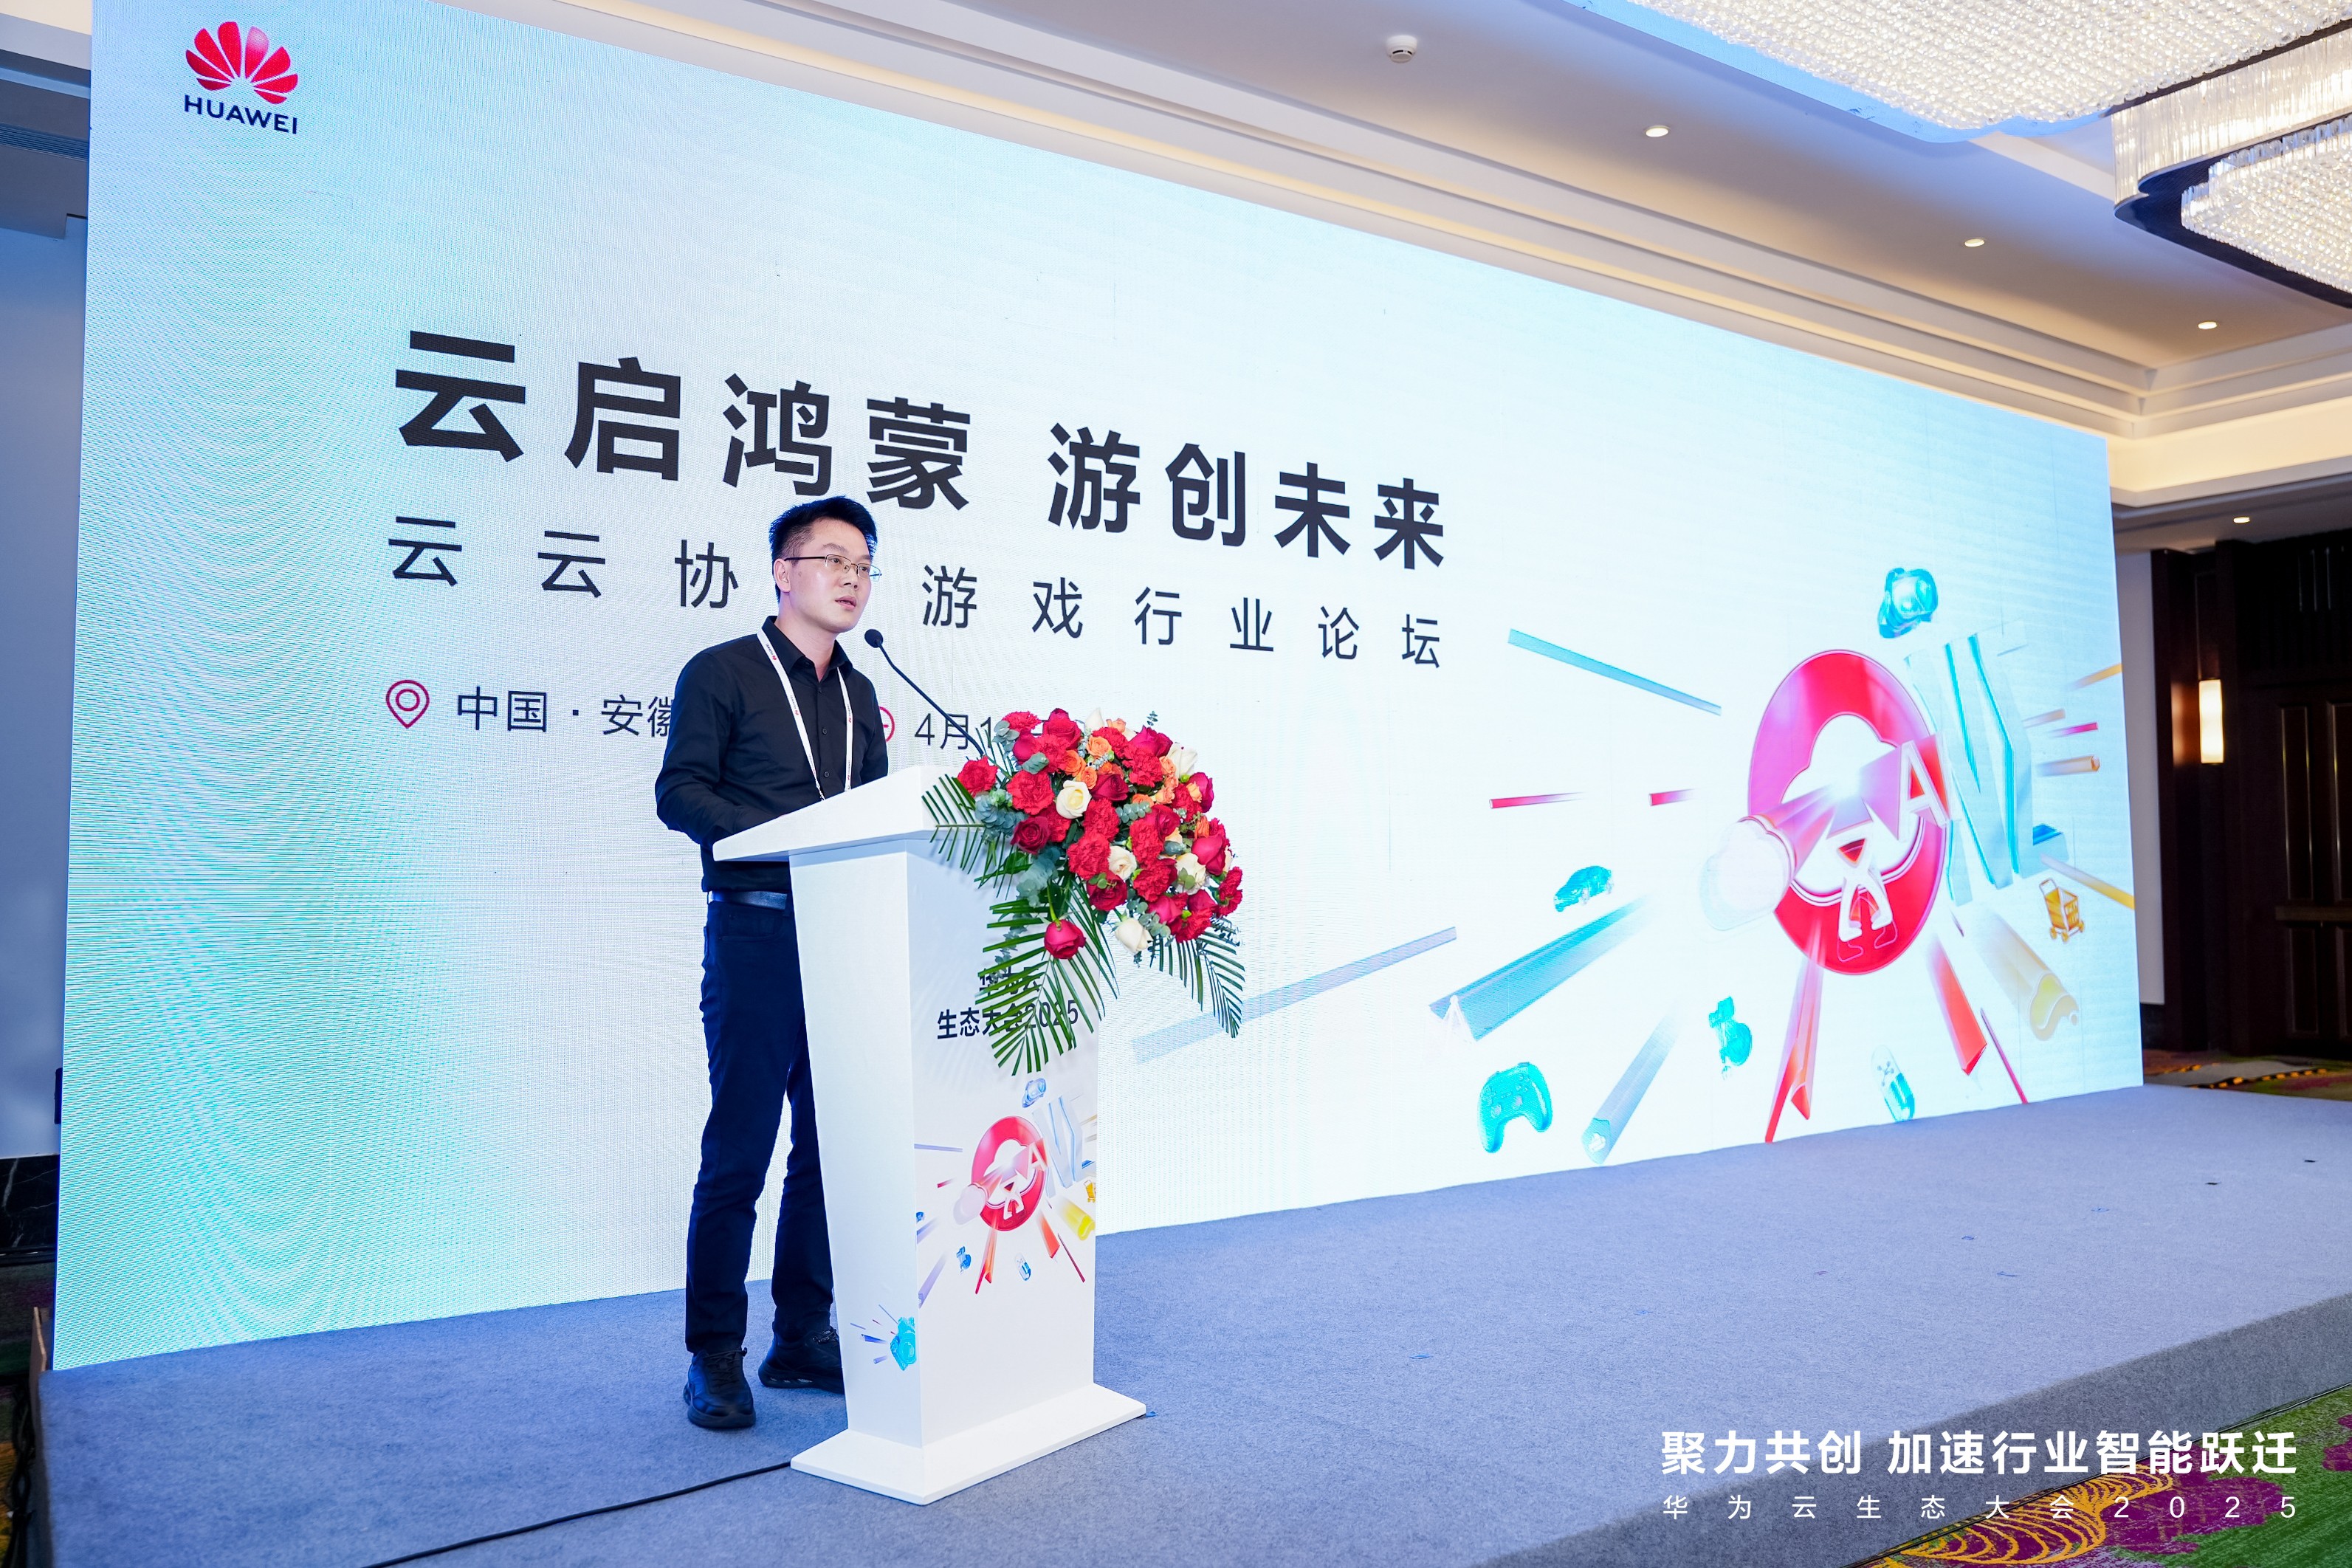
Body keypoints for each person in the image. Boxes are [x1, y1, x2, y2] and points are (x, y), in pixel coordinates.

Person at [654, 495, 889, 1430]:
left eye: (863, 565)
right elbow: (680, 793)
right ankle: (713, 1355)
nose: (851, 579)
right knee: (740, 1152)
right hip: (757, 932)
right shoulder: (723, 672)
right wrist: (783, 835)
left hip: (847, 936)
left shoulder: (861, 693)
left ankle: (801, 1336)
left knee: (830, 1151)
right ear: (783, 572)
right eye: (832, 560)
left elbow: (872, 811)